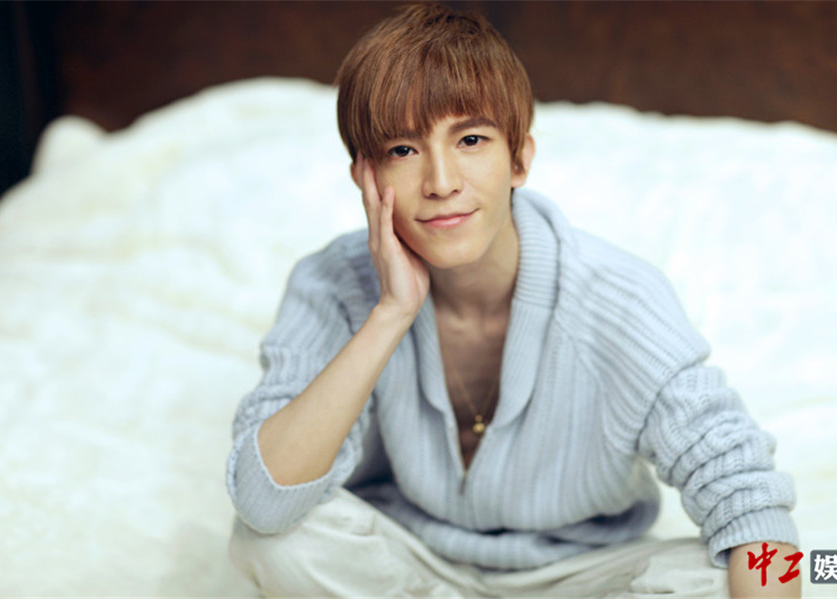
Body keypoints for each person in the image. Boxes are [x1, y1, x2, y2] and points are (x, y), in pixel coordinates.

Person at [226, 3, 800, 597]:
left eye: (470, 139)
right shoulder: (332, 285)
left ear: (520, 158)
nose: (441, 182)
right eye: (402, 150)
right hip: (410, 564)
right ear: (364, 176)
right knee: (276, 541)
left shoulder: (619, 298)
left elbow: (751, 503)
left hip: (581, 576)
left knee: (719, 576)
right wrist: (390, 314)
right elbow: (263, 502)